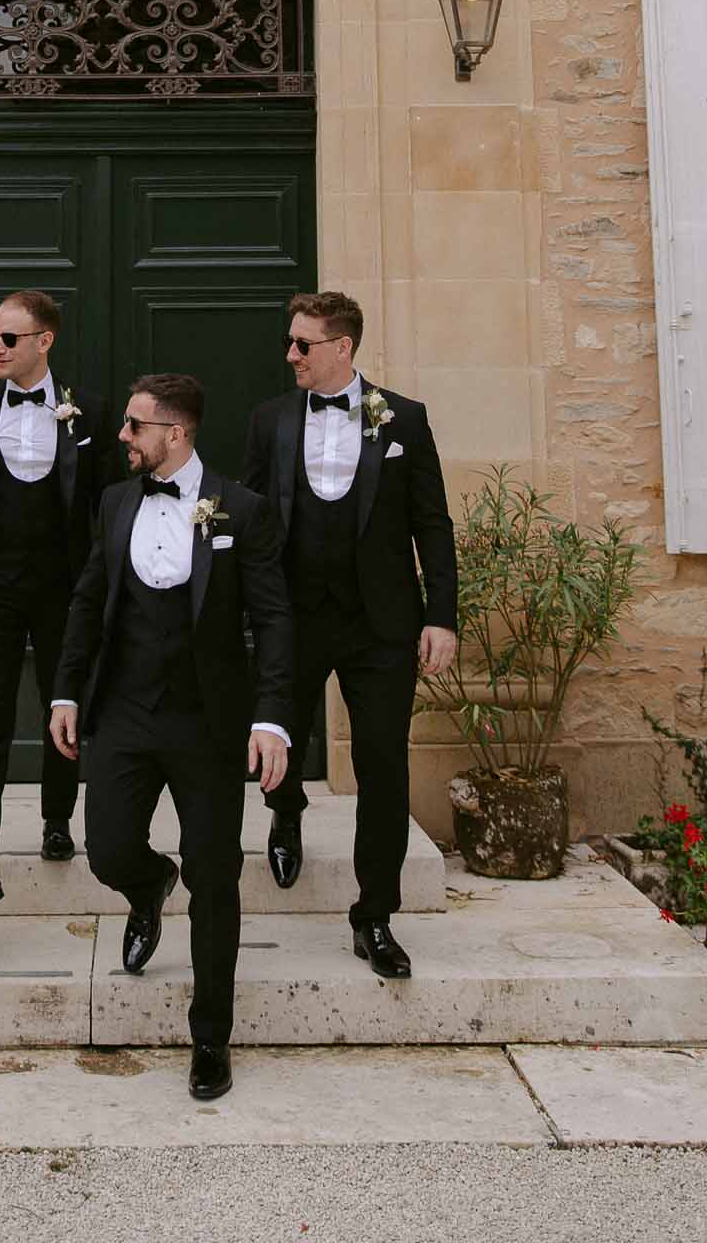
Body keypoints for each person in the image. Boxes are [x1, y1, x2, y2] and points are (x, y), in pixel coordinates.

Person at [50, 373, 292, 1101]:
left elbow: (274, 619)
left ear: (174, 433)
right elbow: (90, 599)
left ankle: (210, 1037)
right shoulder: (115, 502)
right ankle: (150, 883)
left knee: (214, 877)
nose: (121, 436)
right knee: (108, 848)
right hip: (124, 709)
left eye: (132, 425)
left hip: (207, 719)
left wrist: (271, 717)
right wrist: (65, 688)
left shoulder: (242, 511)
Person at [243, 290, 457, 980]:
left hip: (381, 625)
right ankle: (285, 810)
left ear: (342, 348)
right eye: (289, 341)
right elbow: (247, 521)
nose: (290, 355)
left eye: (302, 344)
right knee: (277, 739)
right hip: (293, 619)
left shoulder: (405, 420)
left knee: (382, 768)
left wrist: (441, 616)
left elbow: (433, 523)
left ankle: (375, 916)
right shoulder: (268, 420)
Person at [0, 290, 116, 925]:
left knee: (59, 708)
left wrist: (96, 579)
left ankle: (57, 820)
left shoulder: (88, 410)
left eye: (9, 338)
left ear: (44, 342)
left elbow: (105, 502)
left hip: (65, 588)